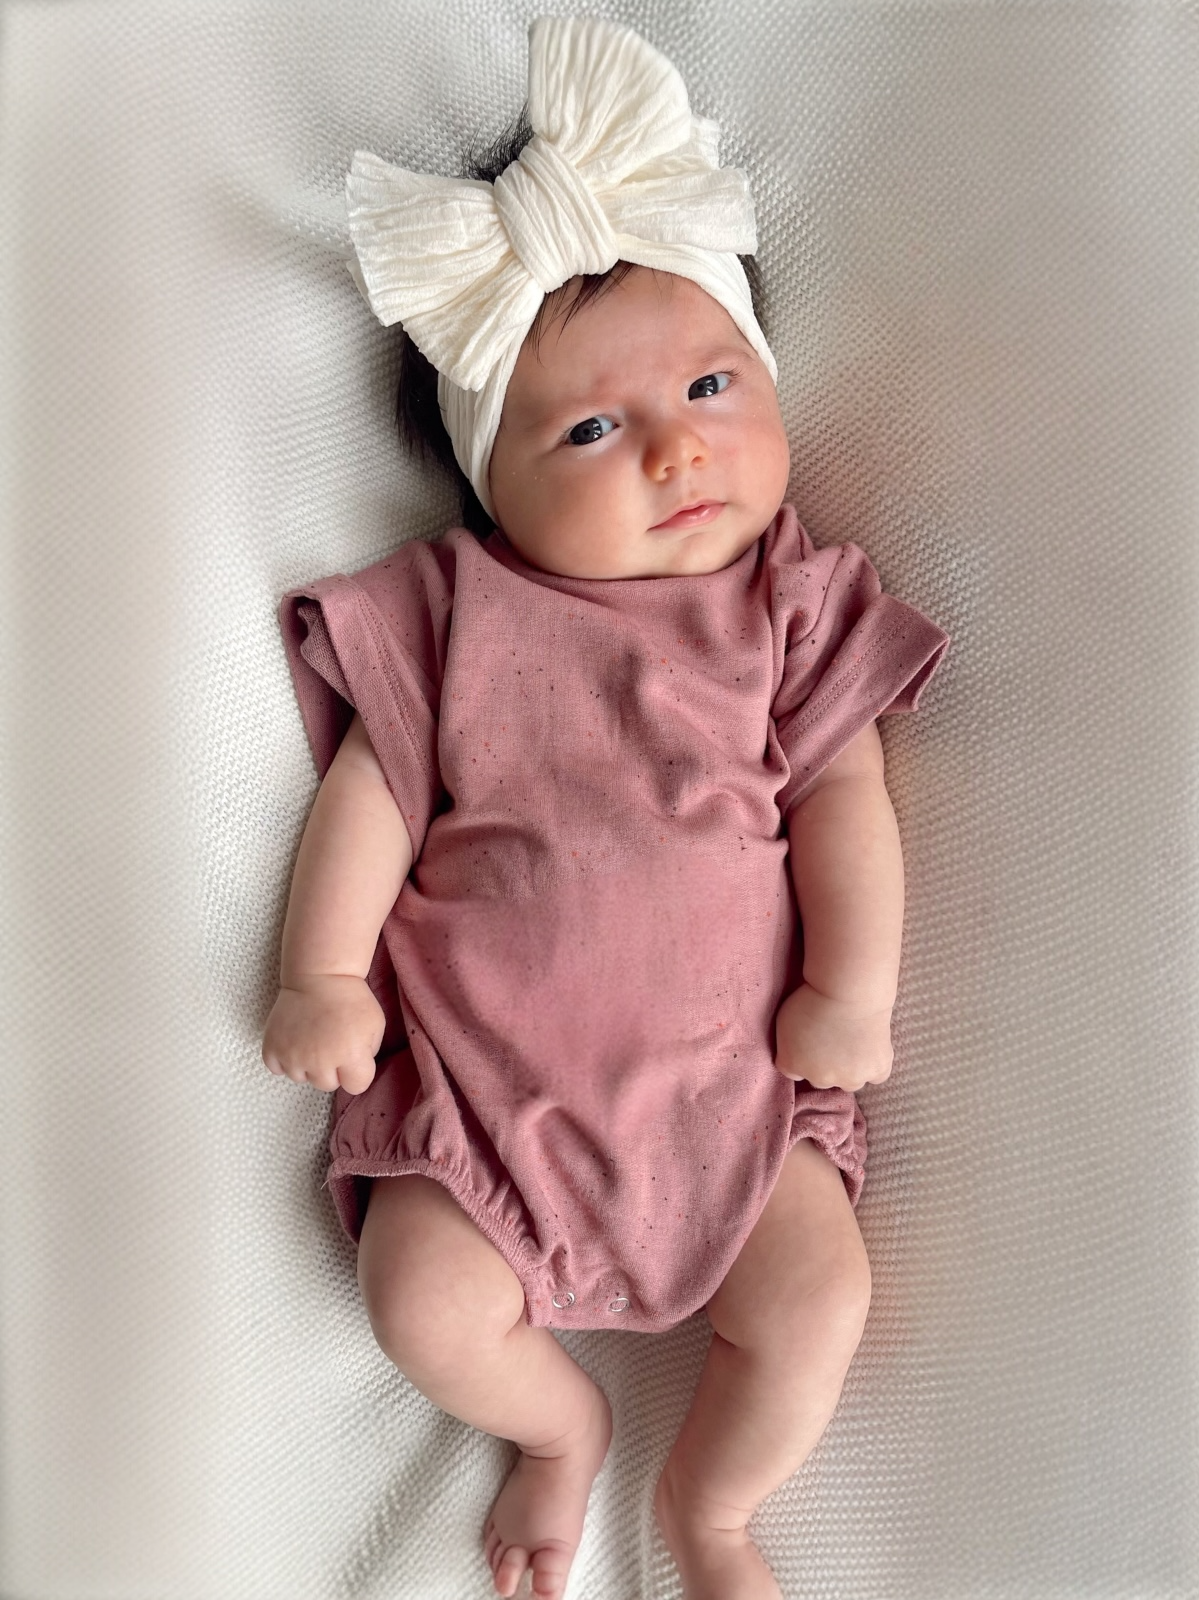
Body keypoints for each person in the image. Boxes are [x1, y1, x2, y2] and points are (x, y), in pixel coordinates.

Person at [262, 16, 949, 1600]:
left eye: (712, 383)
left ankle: (710, 1509)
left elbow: (843, 798)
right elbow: (370, 792)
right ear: (487, 484)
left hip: (734, 1112)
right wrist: (323, 974)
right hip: (483, 1126)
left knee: (815, 1298)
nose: (674, 447)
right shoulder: (451, 613)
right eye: (589, 429)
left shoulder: (785, 606)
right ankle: (558, 1428)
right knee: (420, 1301)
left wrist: (849, 992)